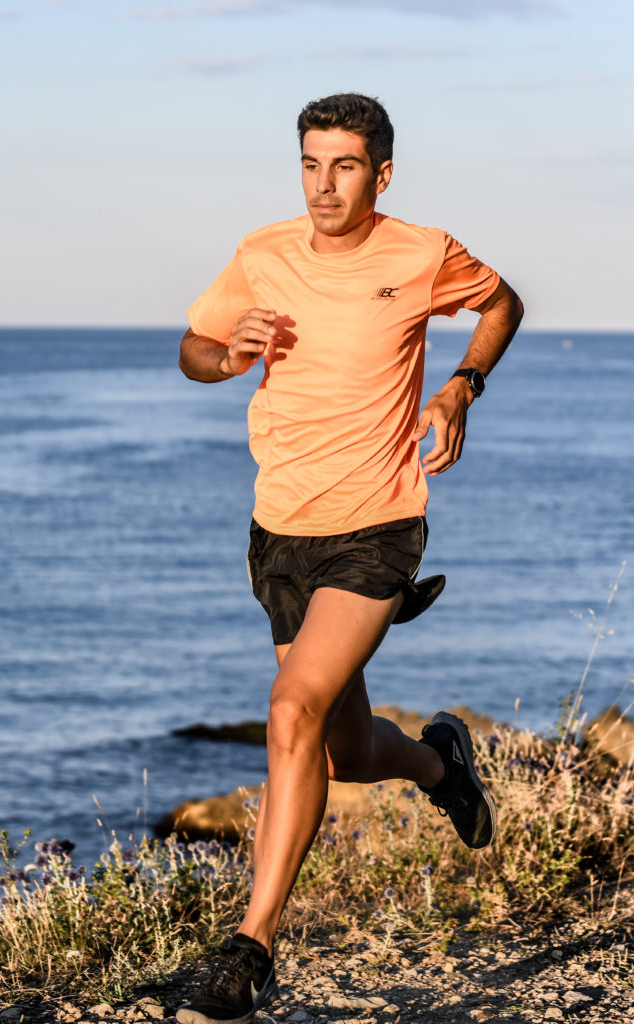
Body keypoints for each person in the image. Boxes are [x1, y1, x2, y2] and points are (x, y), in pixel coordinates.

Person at [176, 93, 523, 1024]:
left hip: (378, 523)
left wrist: (459, 387)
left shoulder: (420, 253)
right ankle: (440, 765)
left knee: (289, 708)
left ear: (381, 174)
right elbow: (192, 348)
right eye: (310, 164)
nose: (323, 185)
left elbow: (501, 301)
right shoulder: (262, 252)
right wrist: (227, 356)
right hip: (280, 527)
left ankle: (250, 950)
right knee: (341, 749)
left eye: (344, 166)